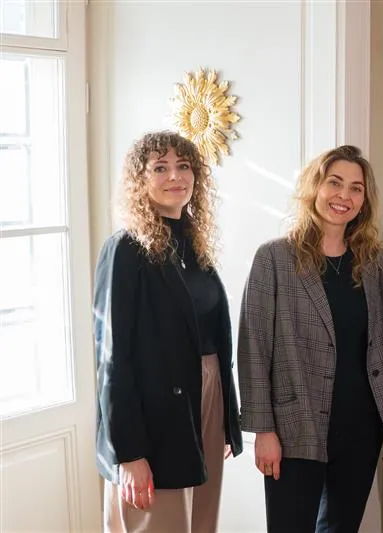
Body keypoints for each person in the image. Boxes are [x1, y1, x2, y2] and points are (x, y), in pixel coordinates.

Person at [237, 145, 383, 533]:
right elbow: (253, 349)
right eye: (334, 183)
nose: (343, 196)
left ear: (365, 200)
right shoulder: (274, 258)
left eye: (356, 188)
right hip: (294, 427)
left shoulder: (374, 262)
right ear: (314, 187)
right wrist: (263, 431)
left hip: (361, 428)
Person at [94, 130, 243, 533]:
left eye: (183, 166)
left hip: (206, 400)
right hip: (153, 416)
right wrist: (129, 454)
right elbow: (112, 359)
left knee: (201, 523)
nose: (175, 176)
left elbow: (214, 337)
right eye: (160, 167)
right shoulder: (125, 249)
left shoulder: (195, 246)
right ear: (139, 179)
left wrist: (224, 420)